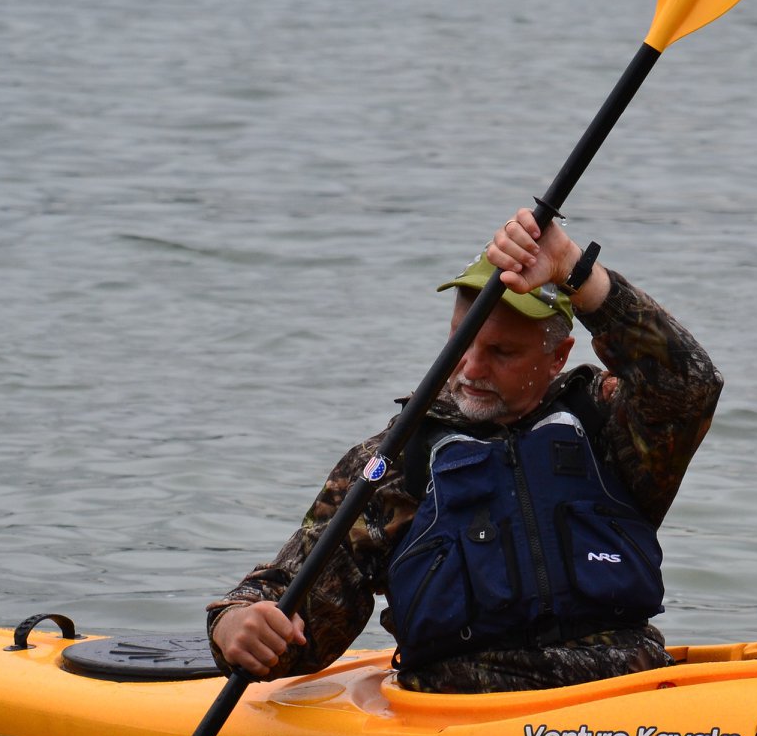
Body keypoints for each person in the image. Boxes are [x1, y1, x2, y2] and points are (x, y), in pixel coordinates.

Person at [207, 207, 722, 692]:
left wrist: (574, 270)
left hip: (627, 697)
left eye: (501, 352)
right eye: (462, 342)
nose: (472, 369)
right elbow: (291, 604)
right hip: (462, 711)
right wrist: (236, 626)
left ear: (558, 354)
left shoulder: (610, 425)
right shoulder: (394, 461)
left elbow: (690, 382)